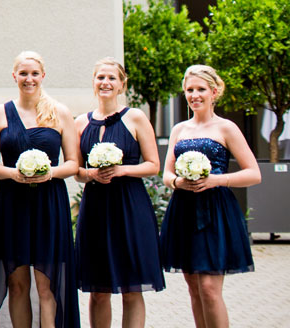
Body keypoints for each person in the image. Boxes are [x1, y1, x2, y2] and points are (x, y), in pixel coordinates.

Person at [0, 51, 79, 328]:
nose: (29, 78)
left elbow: (73, 163)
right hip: (12, 203)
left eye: (34, 73)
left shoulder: (59, 112)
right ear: (14, 76)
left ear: (43, 76)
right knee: (17, 281)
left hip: (49, 203)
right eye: (23, 73)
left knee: (47, 284)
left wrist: (50, 173)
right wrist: (14, 174)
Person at [160, 64, 261, 328]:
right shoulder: (179, 130)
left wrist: (218, 179)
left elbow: (254, 173)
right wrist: (178, 181)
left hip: (215, 212)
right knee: (193, 287)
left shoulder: (226, 128)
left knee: (208, 287)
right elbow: (166, 175)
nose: (195, 95)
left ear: (214, 92)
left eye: (200, 89)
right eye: (189, 90)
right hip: (184, 209)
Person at [74, 58, 164, 328]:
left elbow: (153, 165)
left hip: (130, 206)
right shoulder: (80, 122)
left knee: (131, 286)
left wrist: (121, 170)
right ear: (93, 83)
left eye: (112, 78)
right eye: (100, 77)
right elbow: (77, 170)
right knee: (98, 289)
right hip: (96, 209)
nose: (105, 82)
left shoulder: (135, 117)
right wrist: (91, 174)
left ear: (122, 84)